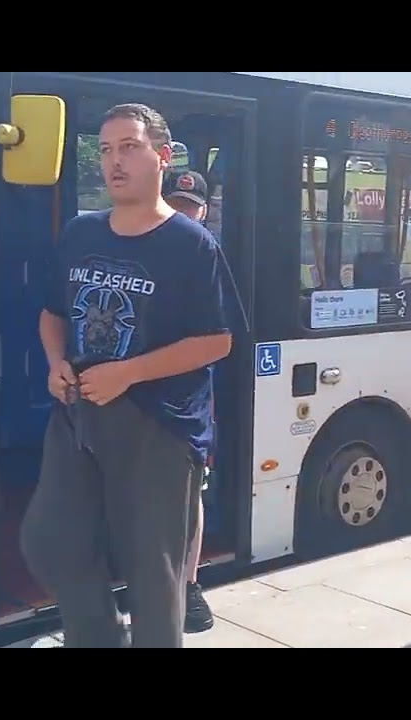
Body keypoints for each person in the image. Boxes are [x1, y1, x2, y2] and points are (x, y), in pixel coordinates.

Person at [19, 103, 246, 648]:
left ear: (162, 158)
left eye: (129, 147)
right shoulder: (81, 233)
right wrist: (55, 363)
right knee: (48, 540)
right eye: (105, 149)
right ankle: (99, 636)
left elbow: (219, 340)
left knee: (154, 575)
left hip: (159, 429)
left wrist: (129, 374)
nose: (114, 161)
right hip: (77, 415)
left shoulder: (192, 244)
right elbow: (53, 313)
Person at [162, 168, 216, 633]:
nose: (184, 215)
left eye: (190, 207)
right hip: (140, 406)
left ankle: (190, 586)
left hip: (189, 405)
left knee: (190, 495)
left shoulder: (210, 258)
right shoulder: (137, 252)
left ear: (203, 211)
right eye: (175, 207)